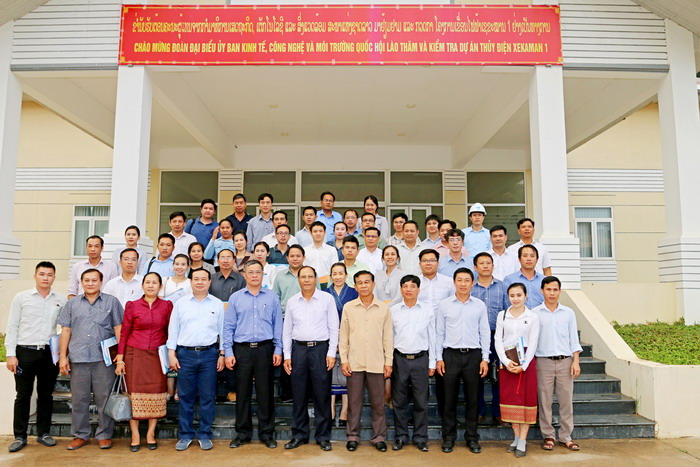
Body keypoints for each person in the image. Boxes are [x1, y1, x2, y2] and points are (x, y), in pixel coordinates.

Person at [58, 268, 124, 450]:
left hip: (104, 359)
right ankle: (81, 435)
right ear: (81, 283)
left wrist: (120, 356)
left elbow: (119, 329)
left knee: (105, 399)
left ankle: (104, 435)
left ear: (101, 282)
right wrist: (63, 357)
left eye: (94, 280)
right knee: (79, 399)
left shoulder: (112, 302)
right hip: (78, 358)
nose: (90, 283)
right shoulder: (72, 304)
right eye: (86, 280)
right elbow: (66, 330)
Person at [5, 261, 66, 453]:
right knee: (23, 395)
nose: (45, 278)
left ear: (54, 277)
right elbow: (12, 326)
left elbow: (65, 327)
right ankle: (20, 436)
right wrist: (11, 354)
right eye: (42, 274)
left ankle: (43, 433)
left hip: (48, 352)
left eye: (49, 274)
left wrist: (62, 353)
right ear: (35, 276)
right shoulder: (21, 298)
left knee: (46, 394)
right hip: (25, 352)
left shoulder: (60, 299)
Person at [225, 260, 283, 449]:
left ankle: (267, 434)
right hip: (241, 350)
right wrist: (228, 352)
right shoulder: (236, 298)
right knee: (242, 393)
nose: (255, 275)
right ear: (245, 275)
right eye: (251, 272)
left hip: (265, 349)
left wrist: (278, 349)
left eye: (258, 272)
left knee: (265, 393)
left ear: (263, 274)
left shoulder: (272, 297)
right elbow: (228, 327)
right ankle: (243, 433)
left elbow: (278, 325)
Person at [166, 268, 225, 451]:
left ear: (209, 282)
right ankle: (185, 435)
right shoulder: (181, 304)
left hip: (209, 355)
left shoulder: (217, 304)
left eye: (203, 279)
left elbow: (223, 331)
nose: (200, 282)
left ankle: (205, 434)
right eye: (196, 279)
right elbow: (173, 329)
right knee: (185, 397)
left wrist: (222, 354)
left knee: (208, 396)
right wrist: (171, 353)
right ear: (190, 282)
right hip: (186, 355)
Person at [115, 272, 174, 452]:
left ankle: (150, 434)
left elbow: (170, 332)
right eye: (147, 282)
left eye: (154, 283)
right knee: (133, 395)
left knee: (156, 394)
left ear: (160, 286)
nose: (150, 285)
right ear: (142, 285)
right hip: (134, 354)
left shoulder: (166, 306)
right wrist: (120, 358)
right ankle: (135, 435)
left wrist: (171, 355)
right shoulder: (132, 305)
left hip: (157, 356)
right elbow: (125, 332)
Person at [283, 266, 339, 451]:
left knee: (322, 395)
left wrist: (331, 353)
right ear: (298, 280)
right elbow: (287, 330)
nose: (306, 280)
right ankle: (299, 435)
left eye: (310, 276)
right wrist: (287, 355)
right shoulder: (292, 301)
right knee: (298, 394)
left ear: (315, 279)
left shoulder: (327, 299)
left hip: (320, 350)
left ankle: (323, 436)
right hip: (298, 350)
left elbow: (334, 327)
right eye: (303, 277)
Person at [436, 268, 490, 454]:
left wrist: (485, 358)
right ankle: (448, 437)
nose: (463, 284)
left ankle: (472, 438)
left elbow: (484, 332)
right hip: (450, 356)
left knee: (473, 399)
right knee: (448, 399)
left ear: (472, 283)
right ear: (454, 282)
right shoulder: (444, 305)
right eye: (460, 280)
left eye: (467, 280)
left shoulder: (479, 305)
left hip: (473, 356)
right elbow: (439, 332)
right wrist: (438, 358)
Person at [339, 271, 393, 453]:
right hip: (354, 362)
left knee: (378, 403)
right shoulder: (349, 307)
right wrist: (344, 360)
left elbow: (388, 337)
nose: (363, 286)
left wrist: (388, 361)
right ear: (355, 287)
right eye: (360, 283)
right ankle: (353, 436)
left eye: (367, 282)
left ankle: (379, 437)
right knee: (354, 403)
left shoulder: (383, 308)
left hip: (377, 363)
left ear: (373, 284)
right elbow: (343, 336)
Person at [534, 276, 583, 453]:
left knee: (566, 401)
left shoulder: (568, 313)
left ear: (559, 291)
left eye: (555, 290)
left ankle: (566, 436)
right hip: (543, 362)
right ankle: (548, 435)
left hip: (565, 362)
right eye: (548, 289)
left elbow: (573, 339)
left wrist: (575, 361)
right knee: (544, 400)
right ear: (542, 291)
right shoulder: (535, 313)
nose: (552, 293)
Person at [390, 275, 436, 452]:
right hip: (399, 359)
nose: (409, 289)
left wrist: (432, 362)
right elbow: (389, 338)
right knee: (399, 401)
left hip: (421, 359)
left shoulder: (427, 310)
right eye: (405, 286)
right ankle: (401, 436)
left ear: (418, 289)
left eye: (412, 286)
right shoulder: (393, 310)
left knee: (421, 401)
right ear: (401, 289)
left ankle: (420, 437)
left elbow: (433, 336)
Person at [495, 282, 540, 458]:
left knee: (526, 400)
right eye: (512, 295)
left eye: (519, 295)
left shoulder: (533, 316)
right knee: (511, 399)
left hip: (526, 362)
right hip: (508, 362)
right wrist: (506, 361)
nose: (515, 299)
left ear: (526, 296)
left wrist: (524, 365)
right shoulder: (502, 315)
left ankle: (523, 440)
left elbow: (534, 342)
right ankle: (515, 438)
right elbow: (498, 340)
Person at [471, 252, 509, 426]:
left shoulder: (503, 287)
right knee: (476, 375)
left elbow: (508, 313)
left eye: (488, 263)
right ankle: (478, 411)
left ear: (493, 266)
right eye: (482, 263)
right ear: (475, 267)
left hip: (497, 336)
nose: (485, 266)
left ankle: (498, 412)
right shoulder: (471, 288)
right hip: (475, 337)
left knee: (498, 375)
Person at [324, 262, 358, 427]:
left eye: (340, 273)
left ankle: (345, 410)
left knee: (346, 371)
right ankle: (330, 409)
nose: (337, 277)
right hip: (328, 336)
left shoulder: (353, 292)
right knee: (330, 371)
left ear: (346, 275)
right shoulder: (324, 294)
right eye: (334, 274)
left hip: (349, 336)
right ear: (331, 276)